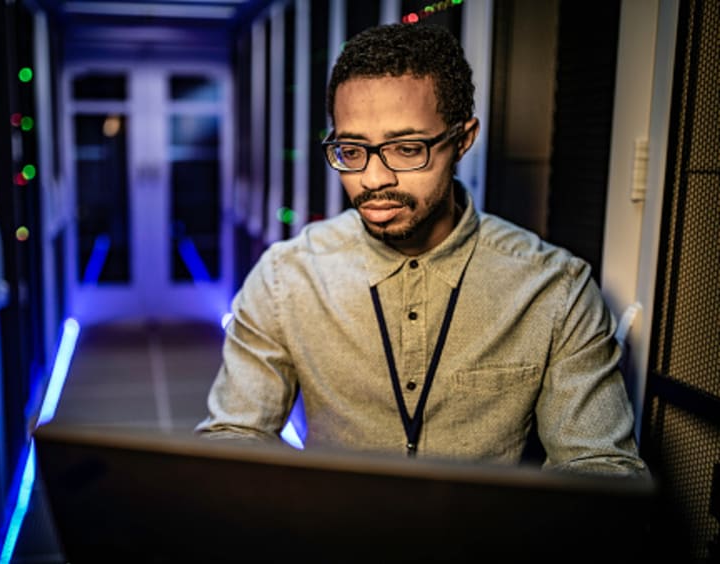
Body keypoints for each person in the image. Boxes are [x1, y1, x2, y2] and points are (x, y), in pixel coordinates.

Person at [196, 22, 648, 476]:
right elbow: (234, 435)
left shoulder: (555, 290)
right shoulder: (285, 276)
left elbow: (602, 470)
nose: (373, 179)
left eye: (407, 148)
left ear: (462, 140)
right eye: (352, 151)